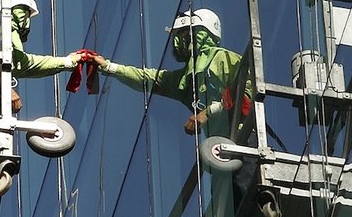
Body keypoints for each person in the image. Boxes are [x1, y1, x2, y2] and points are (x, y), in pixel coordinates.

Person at [92, 8, 251, 135]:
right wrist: (108, 66)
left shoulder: (222, 58)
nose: (176, 42)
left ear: (198, 33)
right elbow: (147, 78)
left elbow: (247, 91)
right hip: (221, 150)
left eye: (182, 34)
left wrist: (208, 113)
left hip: (244, 138)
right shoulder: (184, 79)